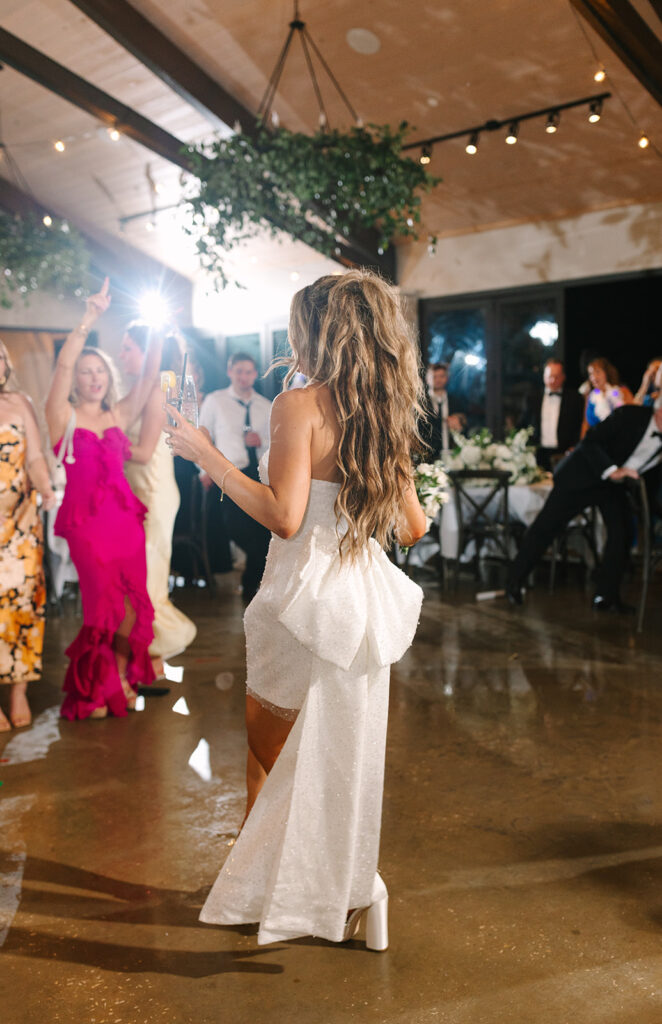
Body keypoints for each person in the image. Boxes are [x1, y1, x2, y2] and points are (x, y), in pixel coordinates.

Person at [165, 270, 427, 949]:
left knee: (265, 757)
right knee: (343, 759)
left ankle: (264, 895)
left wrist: (207, 455)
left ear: (317, 329)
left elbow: (282, 517)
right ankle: (354, 889)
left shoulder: (298, 404)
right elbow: (413, 529)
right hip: (362, 604)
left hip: (299, 599)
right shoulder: (384, 411)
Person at [45, 279, 160, 720]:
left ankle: (124, 675)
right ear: (74, 379)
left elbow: (149, 376)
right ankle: (96, 688)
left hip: (125, 521)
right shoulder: (62, 415)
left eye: (100, 371)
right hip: (86, 526)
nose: (94, 378)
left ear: (109, 376)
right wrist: (90, 318)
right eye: (85, 371)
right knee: (101, 604)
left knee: (132, 605)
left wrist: (157, 332)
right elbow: (60, 366)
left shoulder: (117, 413)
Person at [507, 363, 662, 612]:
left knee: (621, 534)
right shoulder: (630, 415)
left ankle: (606, 597)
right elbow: (589, 442)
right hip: (581, 475)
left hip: (612, 486)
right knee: (546, 528)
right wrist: (613, 470)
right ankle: (513, 582)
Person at [119, 325, 196, 674]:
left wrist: (97, 436)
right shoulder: (145, 387)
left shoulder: (158, 388)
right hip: (139, 491)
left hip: (151, 489)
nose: (122, 356)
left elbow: (143, 450)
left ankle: (160, 649)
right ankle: (151, 661)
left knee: (147, 576)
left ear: (150, 352)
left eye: (128, 349)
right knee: (140, 574)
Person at [0, 341, 55, 730]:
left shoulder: (20, 402)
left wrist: (46, 488)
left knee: (22, 603)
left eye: (1, 357)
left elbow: (34, 456)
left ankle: (18, 690)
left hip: (20, 523)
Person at [199, 353, 272, 602]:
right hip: (227, 475)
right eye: (239, 371)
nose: (244, 377)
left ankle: (253, 591)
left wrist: (261, 442)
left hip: (258, 475)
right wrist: (205, 471)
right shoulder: (215, 400)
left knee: (264, 536)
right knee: (242, 533)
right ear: (230, 372)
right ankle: (251, 588)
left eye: (249, 372)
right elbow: (203, 437)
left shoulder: (266, 405)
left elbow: (276, 444)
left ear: (255, 374)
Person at [518, 358, 584, 471]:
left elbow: (579, 426)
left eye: (557, 376)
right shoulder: (532, 398)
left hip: (564, 454)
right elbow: (523, 424)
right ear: (544, 376)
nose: (553, 380)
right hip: (538, 454)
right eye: (550, 376)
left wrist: (574, 447)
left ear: (563, 377)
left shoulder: (575, 398)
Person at [421, 361, 466, 458]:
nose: (438, 380)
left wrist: (459, 424)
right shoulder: (421, 403)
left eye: (441, 376)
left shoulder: (455, 401)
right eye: (434, 376)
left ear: (447, 378)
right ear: (428, 379)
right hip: (428, 456)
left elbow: (464, 426)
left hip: (452, 453)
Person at [581, 358, 632, 436]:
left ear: (607, 373)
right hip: (596, 441)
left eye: (597, 372)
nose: (594, 377)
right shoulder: (590, 396)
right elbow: (585, 424)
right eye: (591, 374)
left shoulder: (622, 391)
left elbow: (632, 417)